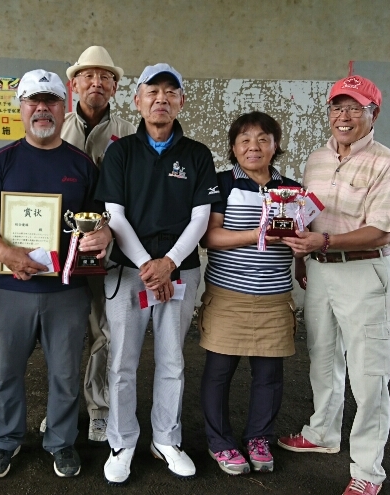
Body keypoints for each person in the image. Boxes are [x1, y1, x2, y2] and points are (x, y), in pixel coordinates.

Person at [0, 69, 112, 479]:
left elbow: (100, 218)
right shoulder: (2, 161)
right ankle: (4, 441)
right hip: (11, 287)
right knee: (5, 370)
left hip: (67, 288)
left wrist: (103, 233)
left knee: (64, 372)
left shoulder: (81, 165)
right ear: (21, 108)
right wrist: (4, 251)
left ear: (64, 107)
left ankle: (61, 443)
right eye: (33, 101)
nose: (42, 109)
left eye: (51, 101)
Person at [278, 75, 390, 495]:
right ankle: (322, 433)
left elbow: (383, 231)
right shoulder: (316, 159)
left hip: (365, 273)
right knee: (323, 358)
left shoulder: (388, 162)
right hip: (320, 269)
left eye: (355, 108)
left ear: (374, 114)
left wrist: (326, 241)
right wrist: (304, 254)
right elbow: (309, 216)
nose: (344, 116)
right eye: (337, 107)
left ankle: (368, 470)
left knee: (369, 375)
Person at [95, 63, 221, 484]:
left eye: (170, 92)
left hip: (179, 272)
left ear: (181, 101)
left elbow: (201, 218)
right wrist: (150, 265)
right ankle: (122, 440)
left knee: (172, 360)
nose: (161, 99)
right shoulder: (121, 152)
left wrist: (168, 263)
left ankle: (166, 438)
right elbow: (113, 214)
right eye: (153, 92)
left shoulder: (198, 155)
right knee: (122, 362)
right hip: (129, 272)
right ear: (138, 100)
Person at [36, 45, 135, 445]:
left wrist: (112, 235)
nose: (96, 82)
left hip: (105, 251)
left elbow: (136, 193)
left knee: (102, 331)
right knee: (56, 331)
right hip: (55, 249)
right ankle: (58, 409)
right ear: (73, 84)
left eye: (105, 76)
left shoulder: (129, 131)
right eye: (88, 76)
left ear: (114, 86)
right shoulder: (54, 126)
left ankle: (99, 408)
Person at [199, 112, 299, 476]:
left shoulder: (290, 189)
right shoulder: (220, 184)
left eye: (262, 139)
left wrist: (301, 251)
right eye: (244, 140)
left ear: (275, 145)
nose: (253, 146)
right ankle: (220, 442)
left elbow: (298, 237)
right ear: (233, 147)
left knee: (269, 373)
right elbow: (209, 238)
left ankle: (260, 437)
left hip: (274, 296)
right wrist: (259, 234)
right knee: (219, 371)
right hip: (228, 295)